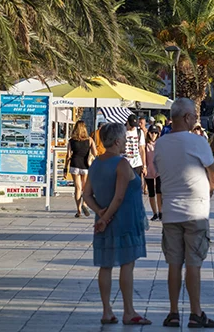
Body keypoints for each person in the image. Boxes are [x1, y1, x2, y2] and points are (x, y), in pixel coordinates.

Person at [154, 98, 214, 329]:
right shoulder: (197, 142)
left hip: (171, 211)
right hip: (196, 212)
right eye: (193, 115)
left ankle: (173, 313)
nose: (195, 119)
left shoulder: (160, 144)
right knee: (193, 263)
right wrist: (208, 191)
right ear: (185, 117)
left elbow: (159, 172)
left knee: (173, 263)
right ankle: (195, 313)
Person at [82, 123, 150, 326]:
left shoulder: (96, 163)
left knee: (105, 265)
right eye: (125, 139)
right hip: (124, 222)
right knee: (127, 265)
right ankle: (128, 311)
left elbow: (86, 194)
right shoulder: (121, 164)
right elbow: (119, 197)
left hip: (103, 222)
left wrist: (100, 213)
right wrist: (106, 217)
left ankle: (106, 311)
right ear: (118, 141)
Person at [66, 120, 98, 218]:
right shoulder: (90, 140)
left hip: (74, 164)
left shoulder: (71, 141)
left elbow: (68, 155)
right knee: (85, 188)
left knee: (78, 188)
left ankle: (78, 210)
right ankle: (85, 204)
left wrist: (64, 169)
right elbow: (95, 153)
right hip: (85, 166)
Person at [144, 126, 163, 221]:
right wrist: (144, 167)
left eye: (155, 133)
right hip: (149, 170)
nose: (153, 135)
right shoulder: (145, 144)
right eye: (152, 132)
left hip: (159, 171)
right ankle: (155, 212)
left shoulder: (160, 144)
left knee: (159, 192)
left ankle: (161, 212)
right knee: (151, 193)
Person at [124, 115, 146, 180]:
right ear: (127, 122)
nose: (132, 127)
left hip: (137, 164)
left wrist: (144, 166)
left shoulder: (139, 132)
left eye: (134, 125)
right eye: (131, 125)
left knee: (136, 185)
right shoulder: (122, 131)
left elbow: (142, 149)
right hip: (124, 163)